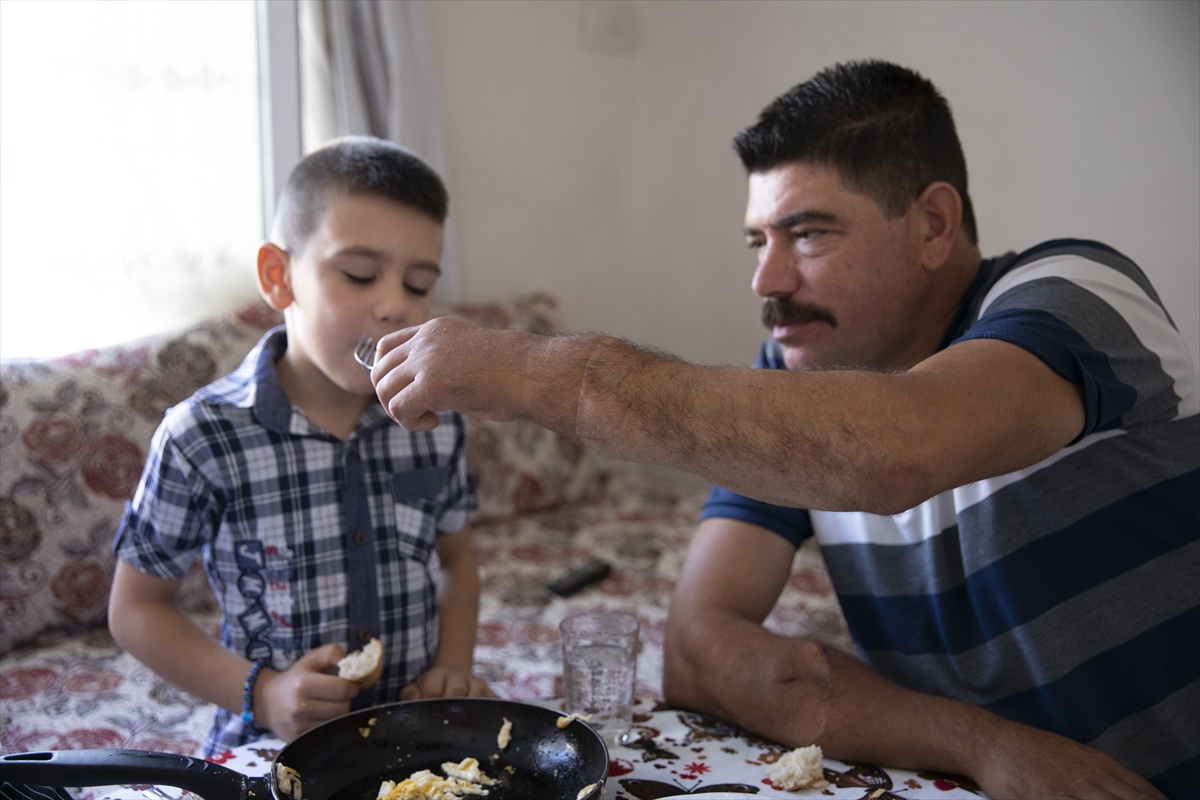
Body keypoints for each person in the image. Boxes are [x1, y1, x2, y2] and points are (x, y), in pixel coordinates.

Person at [367, 61, 1197, 799]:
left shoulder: (1076, 292)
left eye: (807, 233)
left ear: (934, 226)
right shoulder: (793, 368)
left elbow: (896, 450)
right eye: (759, 240)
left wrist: (540, 374)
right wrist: (984, 745)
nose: (766, 279)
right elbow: (696, 648)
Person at [109, 136, 493, 757]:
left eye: (419, 284)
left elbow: (459, 560)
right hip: (271, 747)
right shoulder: (202, 436)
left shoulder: (436, 422)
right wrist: (262, 694)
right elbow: (136, 610)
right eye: (360, 274)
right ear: (278, 276)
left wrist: (451, 671)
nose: (395, 304)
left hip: (416, 739)